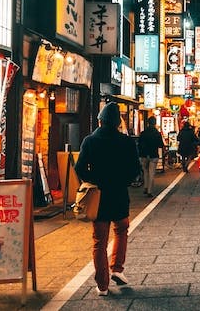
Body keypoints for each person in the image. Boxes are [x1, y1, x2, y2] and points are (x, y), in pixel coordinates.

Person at [75, 103, 141, 296]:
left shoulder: (89, 141)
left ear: (100, 121)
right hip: (120, 195)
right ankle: (117, 269)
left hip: (98, 197)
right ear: (117, 123)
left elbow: (79, 168)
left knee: (99, 241)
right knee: (121, 230)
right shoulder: (126, 142)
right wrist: (124, 181)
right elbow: (135, 170)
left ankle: (102, 285)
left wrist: (92, 179)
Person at [137, 116, 165, 197]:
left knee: (145, 171)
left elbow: (139, 144)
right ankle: (149, 191)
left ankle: (145, 187)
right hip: (153, 155)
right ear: (155, 123)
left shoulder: (143, 133)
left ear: (148, 123)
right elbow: (160, 145)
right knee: (152, 173)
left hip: (144, 155)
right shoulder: (157, 134)